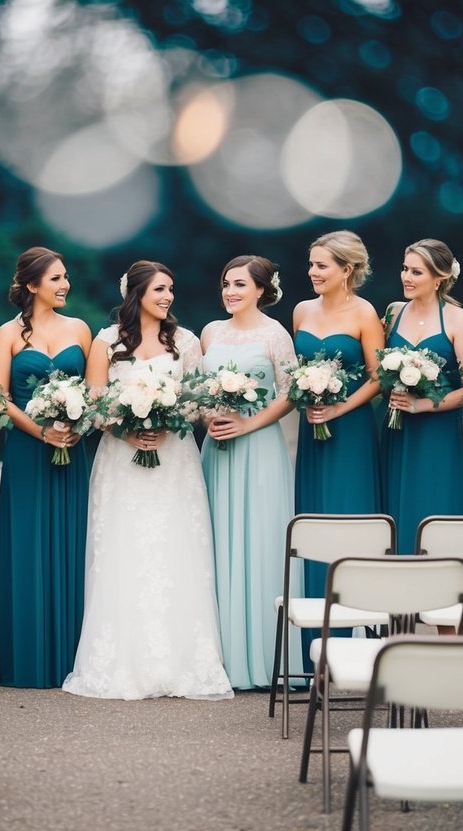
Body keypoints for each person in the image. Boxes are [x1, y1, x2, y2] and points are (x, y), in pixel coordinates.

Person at [63, 261, 232, 700]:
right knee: (121, 549)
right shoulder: (105, 342)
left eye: (171, 289)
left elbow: (197, 401)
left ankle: (182, 663)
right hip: (120, 463)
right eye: (159, 289)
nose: (167, 297)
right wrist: (127, 430)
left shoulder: (186, 342)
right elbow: (94, 405)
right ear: (136, 292)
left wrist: (169, 422)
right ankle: (120, 663)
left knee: (175, 549)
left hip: (174, 461)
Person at [0, 246, 93, 688]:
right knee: (26, 545)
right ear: (32, 286)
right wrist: (41, 432)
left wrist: (75, 424)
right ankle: (26, 656)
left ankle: (77, 654)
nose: (65, 284)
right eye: (55, 279)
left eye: (65, 277)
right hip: (28, 453)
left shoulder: (82, 329)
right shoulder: (8, 333)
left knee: (74, 543)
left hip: (73, 448)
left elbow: (94, 390)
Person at [201, 254, 300, 690]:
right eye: (226, 283)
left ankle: (261, 657)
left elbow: (290, 392)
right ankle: (216, 655)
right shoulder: (210, 332)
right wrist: (209, 416)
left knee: (258, 540)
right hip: (217, 447)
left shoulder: (275, 334)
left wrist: (247, 423)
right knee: (217, 541)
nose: (230, 291)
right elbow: (197, 387)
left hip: (258, 446)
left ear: (262, 289)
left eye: (240, 284)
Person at [292, 232, 383, 626]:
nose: (312, 272)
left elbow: (379, 379)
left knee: (350, 516)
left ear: (346, 270)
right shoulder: (300, 311)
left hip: (352, 432)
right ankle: (315, 634)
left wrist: (339, 408)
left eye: (321, 265)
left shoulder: (365, 313)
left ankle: (357, 628)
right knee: (314, 520)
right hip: (312, 430)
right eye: (311, 264)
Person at [380, 239, 463, 553]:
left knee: (433, 504)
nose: (406, 277)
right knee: (394, 507)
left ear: (440, 277)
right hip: (396, 428)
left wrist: (423, 405)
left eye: (416, 272)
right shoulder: (394, 312)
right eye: (405, 268)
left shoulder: (457, 320)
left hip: (437, 431)